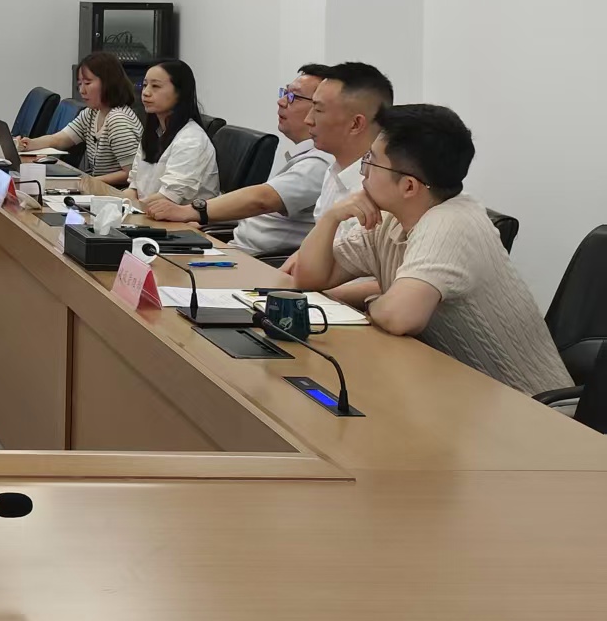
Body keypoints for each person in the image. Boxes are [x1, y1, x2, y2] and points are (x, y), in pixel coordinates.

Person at [290, 104, 567, 395]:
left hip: (527, 406)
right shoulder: (390, 218)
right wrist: (332, 217)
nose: (364, 171)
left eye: (371, 160)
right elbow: (309, 277)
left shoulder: (451, 224)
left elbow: (399, 316)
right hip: (455, 390)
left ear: (409, 187)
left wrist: (374, 299)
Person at [144, 65, 332, 256]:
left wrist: (191, 212)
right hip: (233, 246)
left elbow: (262, 200)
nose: (281, 101)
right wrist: (208, 219)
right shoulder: (305, 156)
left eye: (294, 97)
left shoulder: (320, 162)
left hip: (259, 261)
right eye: (285, 93)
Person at [15, 52, 142, 186]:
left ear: (109, 83)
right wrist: (28, 144)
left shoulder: (119, 120)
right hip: (98, 187)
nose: (82, 90)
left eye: (87, 83)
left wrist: (86, 182)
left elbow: (131, 173)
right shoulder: (92, 113)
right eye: (80, 84)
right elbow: (59, 139)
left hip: (117, 192)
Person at [307, 61, 394, 220]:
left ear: (356, 124)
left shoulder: (379, 193)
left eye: (318, 110)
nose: (308, 120)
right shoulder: (334, 171)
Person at [130, 59, 220, 206]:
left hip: (179, 217)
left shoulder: (191, 139)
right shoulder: (155, 132)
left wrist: (129, 206)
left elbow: (168, 198)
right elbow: (134, 186)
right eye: (145, 85)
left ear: (180, 92)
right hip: (145, 212)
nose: (145, 93)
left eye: (155, 86)